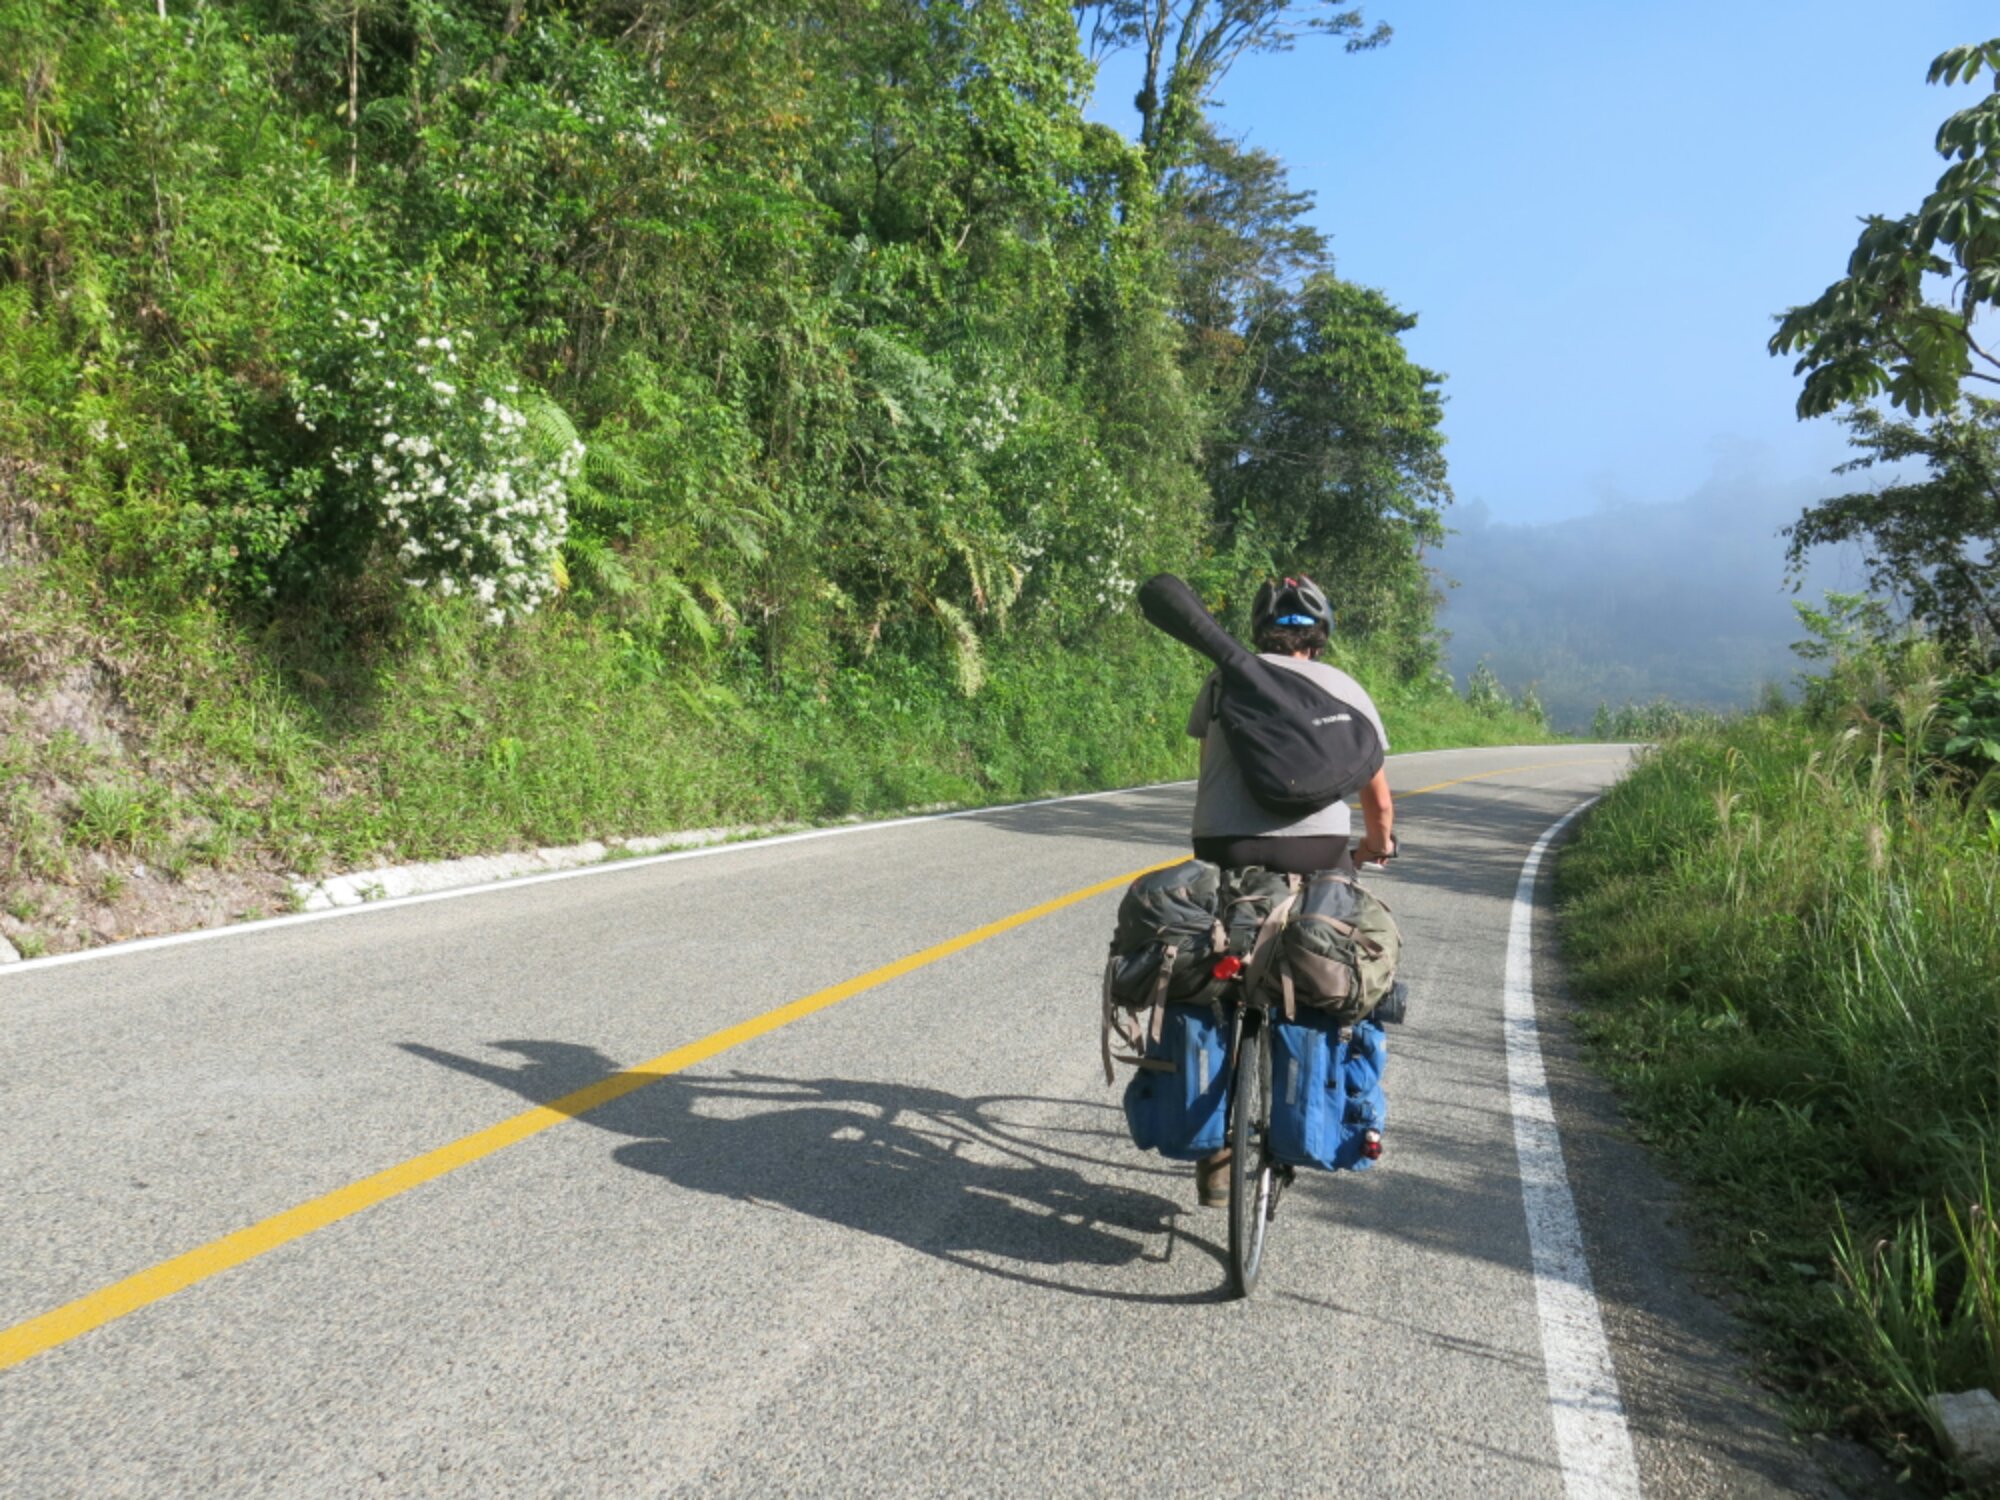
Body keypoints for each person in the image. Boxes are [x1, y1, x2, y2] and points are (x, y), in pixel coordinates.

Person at [1187, 574, 1395, 1206]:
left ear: (1259, 630)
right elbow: (1378, 804)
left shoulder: (1223, 680)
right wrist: (1374, 847)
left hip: (1225, 848)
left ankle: (1214, 1146)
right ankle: (1310, 1111)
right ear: (1320, 636)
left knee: (1218, 973)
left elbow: (1211, 766)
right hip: (1318, 854)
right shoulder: (1346, 690)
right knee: (1328, 957)